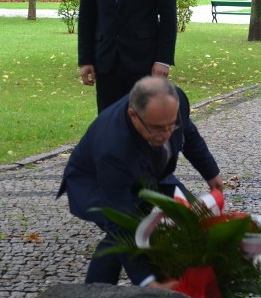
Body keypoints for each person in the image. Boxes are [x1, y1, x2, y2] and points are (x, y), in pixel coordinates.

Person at [58, 76, 224, 287]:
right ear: (133, 116)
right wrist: (149, 283)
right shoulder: (114, 147)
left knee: (192, 217)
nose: (165, 135)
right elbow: (121, 222)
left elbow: (188, 134)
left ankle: (198, 282)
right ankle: (96, 296)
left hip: (152, 169)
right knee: (126, 232)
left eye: (170, 125)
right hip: (96, 183)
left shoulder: (174, 101)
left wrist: (211, 172)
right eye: (156, 128)